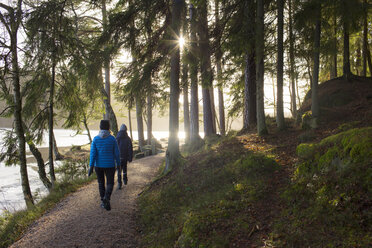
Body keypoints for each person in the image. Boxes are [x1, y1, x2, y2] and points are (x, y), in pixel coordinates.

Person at [89, 120, 120, 211]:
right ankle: (107, 198)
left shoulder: (96, 139)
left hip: (98, 165)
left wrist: (91, 166)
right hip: (110, 165)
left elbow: (93, 154)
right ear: (109, 127)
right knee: (110, 183)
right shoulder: (112, 139)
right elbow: (116, 153)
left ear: (100, 127)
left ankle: (103, 201)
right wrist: (118, 164)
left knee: (101, 183)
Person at [116, 124, 133, 189]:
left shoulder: (117, 138)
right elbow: (130, 149)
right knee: (124, 169)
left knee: (119, 171)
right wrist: (130, 157)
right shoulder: (128, 139)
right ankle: (125, 180)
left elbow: (114, 148)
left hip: (118, 157)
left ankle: (119, 183)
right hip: (125, 157)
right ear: (126, 130)